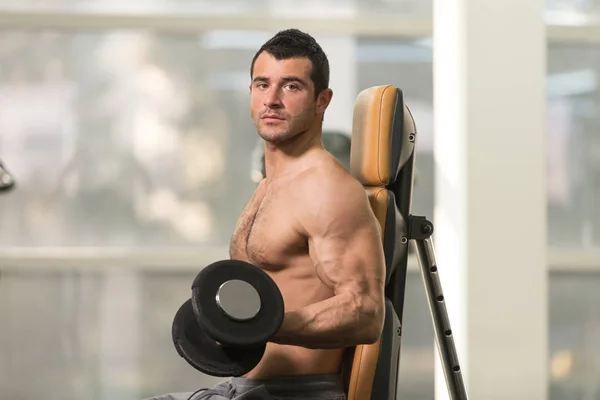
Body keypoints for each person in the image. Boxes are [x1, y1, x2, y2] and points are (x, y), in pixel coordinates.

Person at [149, 28, 386, 400]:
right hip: (242, 388)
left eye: (291, 86)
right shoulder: (270, 184)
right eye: (262, 85)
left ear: (322, 100)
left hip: (294, 393)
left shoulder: (326, 188)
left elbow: (364, 311)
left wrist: (259, 327)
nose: (271, 100)